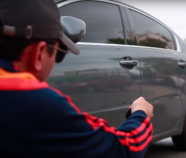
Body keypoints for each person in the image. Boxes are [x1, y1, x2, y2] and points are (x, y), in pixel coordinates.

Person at [0, 0, 154, 158]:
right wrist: (141, 113)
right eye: (60, 53)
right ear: (39, 54)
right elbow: (125, 148)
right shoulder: (31, 101)